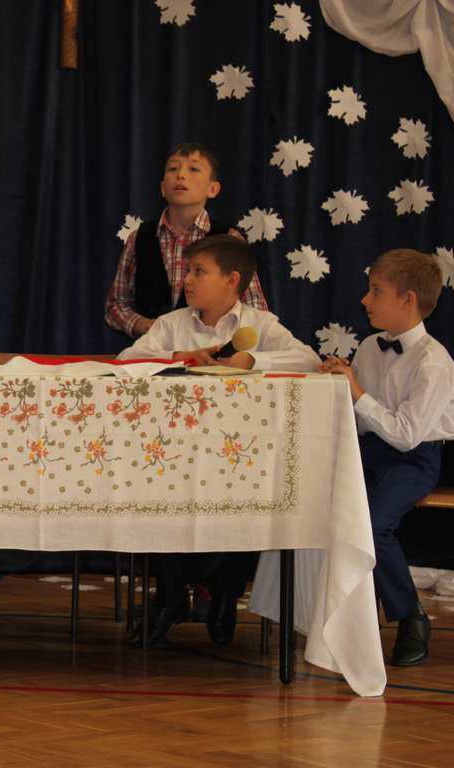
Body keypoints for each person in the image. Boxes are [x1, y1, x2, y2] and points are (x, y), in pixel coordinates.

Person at [119, 234, 319, 648]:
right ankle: (170, 595)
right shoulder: (173, 325)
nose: (188, 280)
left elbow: (309, 359)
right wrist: (177, 359)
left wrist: (253, 359)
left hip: (237, 457)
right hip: (175, 454)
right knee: (160, 497)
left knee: (250, 500)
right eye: (187, 271)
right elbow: (125, 362)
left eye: (199, 272)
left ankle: (225, 593)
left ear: (232, 281)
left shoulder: (260, 325)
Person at [321, 249, 454, 666]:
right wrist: (339, 384)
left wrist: (357, 391)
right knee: (326, 507)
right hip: (369, 450)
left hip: (415, 458)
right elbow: (362, 419)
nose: (365, 300)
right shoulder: (368, 347)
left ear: (407, 300)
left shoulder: (434, 362)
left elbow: (407, 435)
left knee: (373, 526)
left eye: (376, 291)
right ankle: (342, 618)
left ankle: (411, 616)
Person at [105, 142, 268, 339]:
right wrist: (144, 325)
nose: (181, 175)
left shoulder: (229, 240)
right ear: (163, 188)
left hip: (212, 352)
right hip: (152, 354)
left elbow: (256, 307)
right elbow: (116, 305)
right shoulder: (139, 238)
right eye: (173, 168)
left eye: (193, 169)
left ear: (213, 189)